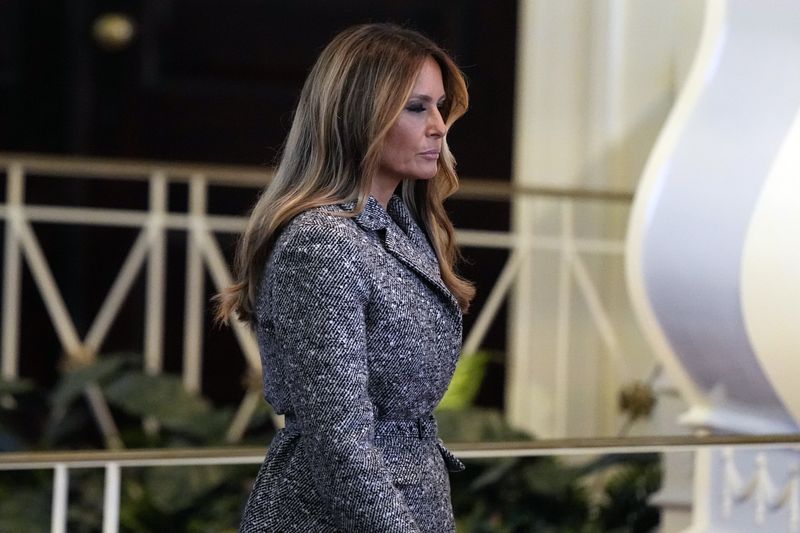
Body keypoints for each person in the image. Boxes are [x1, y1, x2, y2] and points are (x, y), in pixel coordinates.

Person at [215, 22, 475, 533]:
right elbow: (339, 442)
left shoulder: (401, 225)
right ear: (360, 115)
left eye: (440, 106)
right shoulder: (323, 242)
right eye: (417, 107)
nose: (439, 126)